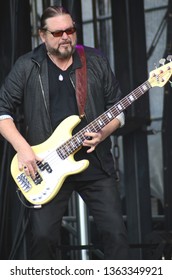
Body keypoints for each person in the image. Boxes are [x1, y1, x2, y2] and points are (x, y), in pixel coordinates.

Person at [0, 6, 129, 260]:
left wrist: (105, 131)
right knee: (43, 238)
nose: (65, 37)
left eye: (70, 30)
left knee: (116, 234)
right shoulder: (28, 66)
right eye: (57, 32)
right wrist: (23, 150)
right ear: (42, 35)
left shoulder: (95, 61)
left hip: (95, 164)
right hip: (45, 166)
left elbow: (118, 108)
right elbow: (2, 111)